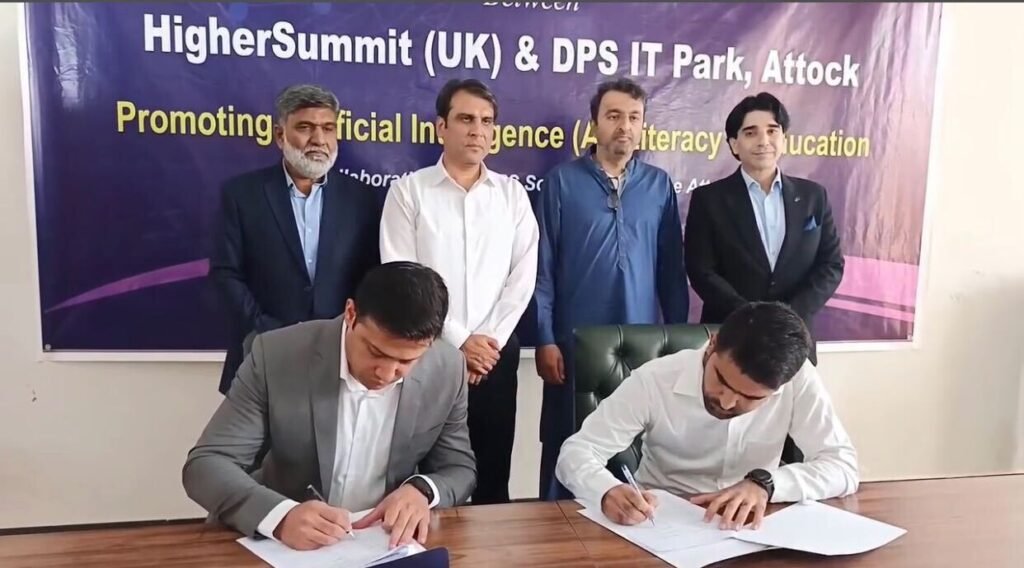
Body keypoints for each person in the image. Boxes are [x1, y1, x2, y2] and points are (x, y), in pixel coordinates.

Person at [183, 262, 476, 550]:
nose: (386, 374)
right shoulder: (276, 354)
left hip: (382, 544)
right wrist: (281, 517)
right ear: (351, 313)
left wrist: (423, 491)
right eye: (375, 352)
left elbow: (458, 468)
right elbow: (206, 465)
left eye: (406, 361)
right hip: (284, 545)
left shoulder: (447, 369)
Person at [555, 302, 858, 530]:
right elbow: (577, 452)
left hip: (751, 527)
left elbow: (842, 467)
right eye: (722, 380)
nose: (727, 402)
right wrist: (606, 490)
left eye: (751, 398)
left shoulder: (799, 379)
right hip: (659, 524)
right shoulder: (654, 380)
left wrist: (766, 484)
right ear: (713, 343)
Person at [380, 79, 538, 505]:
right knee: (425, 483)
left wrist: (488, 343)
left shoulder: (512, 195)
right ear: (441, 127)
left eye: (487, 121)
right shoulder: (408, 192)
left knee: (492, 478)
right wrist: (459, 341)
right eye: (466, 119)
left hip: (495, 357)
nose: (477, 130)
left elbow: (523, 276)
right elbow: (401, 275)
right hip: (426, 353)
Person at [534, 77, 689, 501]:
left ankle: (632, 521)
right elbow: (542, 269)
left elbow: (672, 273)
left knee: (634, 443)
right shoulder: (561, 182)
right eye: (614, 116)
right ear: (595, 123)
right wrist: (545, 339)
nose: (625, 127)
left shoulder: (658, 185)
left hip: (643, 346)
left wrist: (678, 340)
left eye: (634, 118)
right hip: (574, 344)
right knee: (567, 442)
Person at [209, 84, 382, 394]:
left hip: (340, 354)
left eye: (328, 128)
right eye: (305, 127)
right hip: (262, 349)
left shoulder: (362, 199)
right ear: (280, 135)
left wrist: (350, 331)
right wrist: (266, 328)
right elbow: (225, 273)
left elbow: (372, 276)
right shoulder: (242, 194)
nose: (318, 139)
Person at [683, 92, 844, 366]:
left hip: (795, 336)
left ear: (784, 138)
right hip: (731, 334)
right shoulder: (709, 199)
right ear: (734, 144)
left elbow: (831, 264)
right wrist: (750, 317)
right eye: (751, 133)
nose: (763, 141)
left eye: (772, 130)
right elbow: (701, 270)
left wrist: (788, 316)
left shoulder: (813, 196)